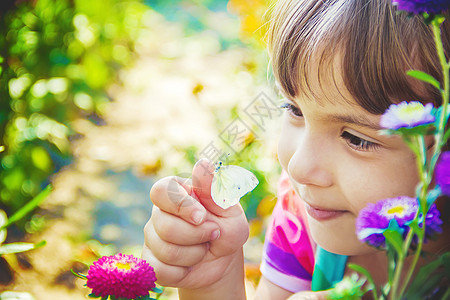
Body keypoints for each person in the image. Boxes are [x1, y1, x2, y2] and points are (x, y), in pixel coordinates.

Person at [142, 0, 450, 299]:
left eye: (357, 139)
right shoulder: (301, 219)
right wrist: (213, 281)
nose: (299, 168)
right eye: (294, 109)